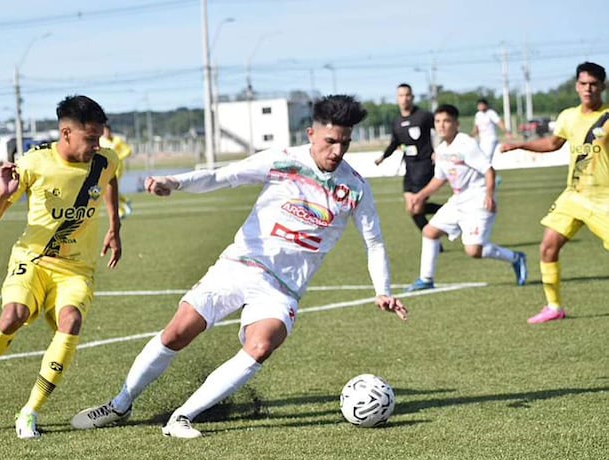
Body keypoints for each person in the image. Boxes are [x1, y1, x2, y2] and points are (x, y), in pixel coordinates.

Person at [71, 94, 409, 439]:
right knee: (178, 332)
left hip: (283, 289)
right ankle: (121, 403)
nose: (337, 151)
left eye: (345, 143)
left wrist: (383, 290)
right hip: (239, 265)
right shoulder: (283, 161)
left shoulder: (354, 188)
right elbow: (223, 176)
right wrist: (176, 182)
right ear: (311, 134)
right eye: (331, 141)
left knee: (261, 345)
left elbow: (375, 242)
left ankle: (182, 417)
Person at [0, 95, 122, 439]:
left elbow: (111, 177)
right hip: (33, 260)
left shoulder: (106, 159)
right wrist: (2, 194)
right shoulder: (34, 163)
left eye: (99, 138)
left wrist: (114, 227)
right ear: (66, 133)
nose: (98, 145)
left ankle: (29, 412)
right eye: (91, 138)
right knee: (12, 316)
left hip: (76, 270)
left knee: (71, 321)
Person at [500, 61, 609, 324]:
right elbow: (552, 143)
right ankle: (554, 307)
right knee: (548, 247)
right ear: (576, 86)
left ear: (602, 86)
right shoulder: (568, 117)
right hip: (573, 196)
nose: (588, 89)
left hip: (604, 199)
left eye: (594, 84)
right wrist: (519, 145)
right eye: (583, 84)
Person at [405, 104, 527, 292]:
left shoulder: (466, 144)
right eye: (437, 121)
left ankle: (516, 258)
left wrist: (489, 195)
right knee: (430, 231)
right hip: (458, 199)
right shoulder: (441, 148)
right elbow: (440, 179)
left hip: (477, 199)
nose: (441, 125)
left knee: (473, 251)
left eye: (446, 121)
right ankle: (426, 279)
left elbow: (488, 170)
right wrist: (420, 196)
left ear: (457, 124)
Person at [375, 83, 442, 242]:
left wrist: (438, 150)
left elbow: (440, 131)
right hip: (409, 169)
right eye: (401, 95)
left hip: (424, 166)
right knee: (412, 210)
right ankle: (444, 223)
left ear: (412, 97)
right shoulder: (397, 121)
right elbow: (394, 143)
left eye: (407, 95)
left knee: (416, 207)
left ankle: (435, 238)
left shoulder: (423, 116)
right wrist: (383, 157)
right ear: (397, 98)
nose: (404, 98)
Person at [99, 124, 134, 219]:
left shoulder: (117, 140)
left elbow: (128, 151)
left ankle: (120, 211)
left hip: (117, 168)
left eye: (107, 131)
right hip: (105, 169)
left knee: (110, 190)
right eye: (104, 131)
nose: (106, 133)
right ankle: (125, 201)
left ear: (110, 131)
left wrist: (118, 157)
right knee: (107, 190)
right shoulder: (101, 141)